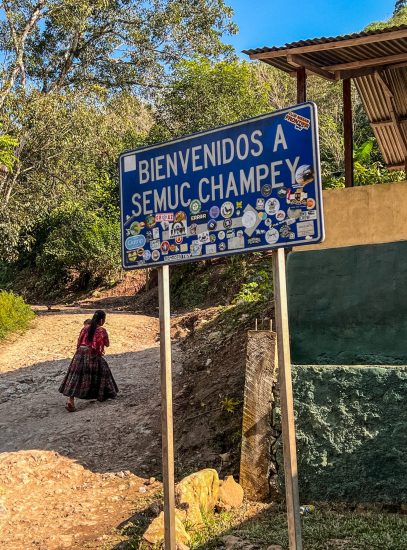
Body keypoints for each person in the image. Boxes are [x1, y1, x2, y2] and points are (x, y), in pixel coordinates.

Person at [59, 310, 118, 412]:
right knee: (104, 370)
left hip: (80, 352)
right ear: (102, 320)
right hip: (92, 354)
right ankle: (102, 394)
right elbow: (107, 344)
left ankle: (70, 400)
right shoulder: (101, 330)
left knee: (76, 376)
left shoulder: (85, 328)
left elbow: (79, 342)